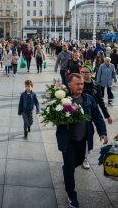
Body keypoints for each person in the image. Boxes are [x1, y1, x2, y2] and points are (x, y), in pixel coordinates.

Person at [56, 73, 108, 208]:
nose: (80, 86)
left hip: (83, 139)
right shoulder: (61, 99)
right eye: (77, 84)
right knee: (69, 169)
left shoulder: (88, 99)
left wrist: (103, 132)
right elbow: (53, 116)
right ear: (69, 85)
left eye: (82, 84)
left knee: (78, 161)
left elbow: (97, 117)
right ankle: (72, 195)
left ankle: (67, 167)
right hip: (68, 140)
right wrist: (59, 118)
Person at [81, 64, 112, 170]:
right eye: (82, 72)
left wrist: (107, 115)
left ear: (91, 73)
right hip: (80, 114)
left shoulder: (96, 85)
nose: (84, 74)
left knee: (88, 136)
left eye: (86, 72)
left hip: (92, 113)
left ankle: (84, 158)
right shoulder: (79, 84)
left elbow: (100, 101)